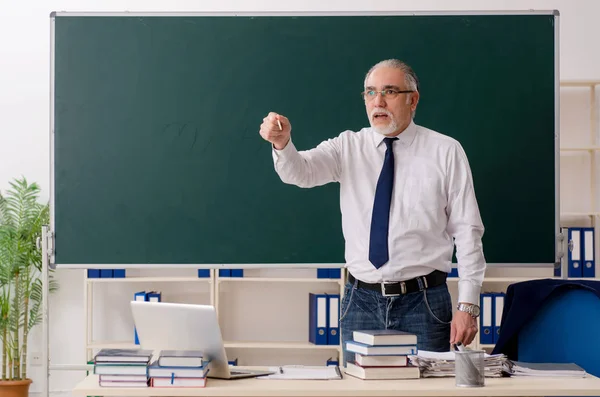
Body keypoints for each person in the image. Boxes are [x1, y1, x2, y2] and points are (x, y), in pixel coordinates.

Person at [259, 59, 486, 365]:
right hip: (360, 302)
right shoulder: (348, 146)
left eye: (389, 91)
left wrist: (468, 306)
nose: (378, 101)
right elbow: (301, 172)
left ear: (413, 99)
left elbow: (468, 231)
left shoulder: (445, 151)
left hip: (425, 302)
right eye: (370, 92)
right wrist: (282, 144)